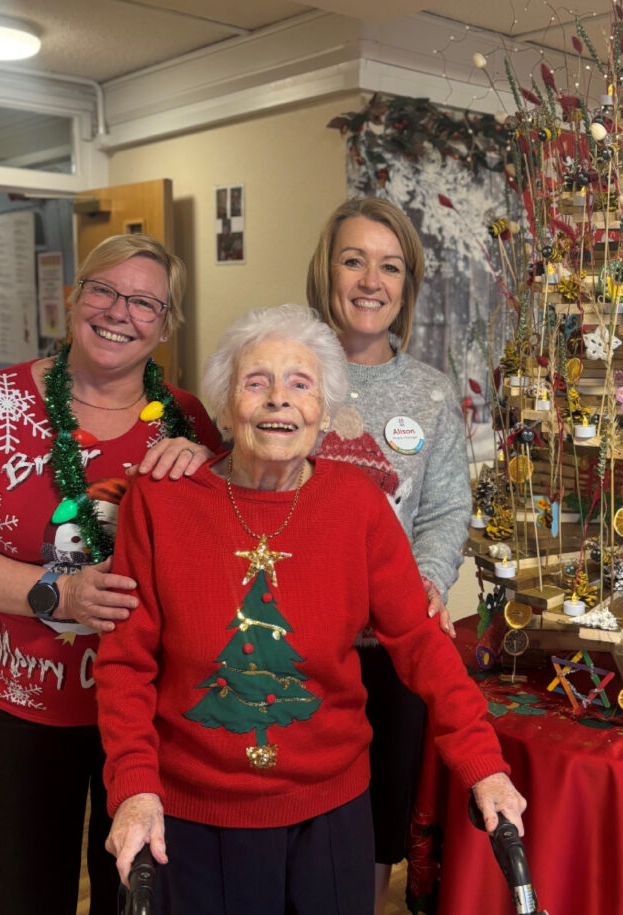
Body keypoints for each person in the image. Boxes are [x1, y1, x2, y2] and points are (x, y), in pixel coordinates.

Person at [97, 304, 524, 912]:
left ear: (324, 412)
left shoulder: (357, 504)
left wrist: (483, 763)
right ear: (223, 407)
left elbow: (421, 642)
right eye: (256, 382)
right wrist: (135, 789)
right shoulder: (161, 504)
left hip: (330, 813)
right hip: (193, 816)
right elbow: (125, 663)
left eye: (300, 384)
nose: (279, 400)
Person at [0, 233, 220, 914]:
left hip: (147, 712)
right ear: (72, 298)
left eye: (145, 302)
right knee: (32, 893)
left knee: (131, 893)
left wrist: (206, 469)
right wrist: (56, 592)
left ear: (166, 325)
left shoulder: (187, 421)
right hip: (27, 701)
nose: (119, 311)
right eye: (104, 290)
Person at [304, 197, 471, 911]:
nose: (371, 280)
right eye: (353, 260)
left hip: (393, 651)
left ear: (406, 284)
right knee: (299, 815)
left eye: (390, 266)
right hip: (297, 644)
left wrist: (428, 578)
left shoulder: (431, 394)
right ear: (326, 271)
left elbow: (444, 508)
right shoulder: (287, 369)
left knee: (376, 828)